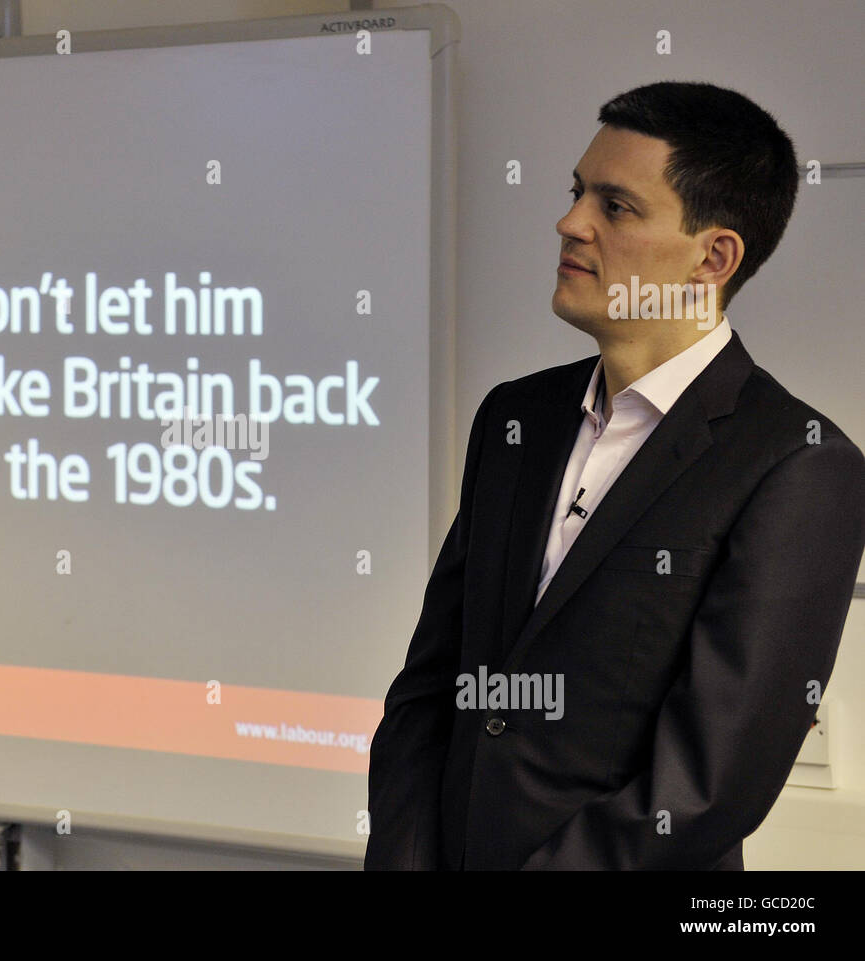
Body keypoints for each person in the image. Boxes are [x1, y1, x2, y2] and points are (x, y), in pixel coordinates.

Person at [365, 82, 865, 870]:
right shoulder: (513, 417)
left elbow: (709, 782)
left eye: (616, 205)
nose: (570, 222)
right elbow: (430, 691)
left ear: (714, 256)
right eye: (575, 192)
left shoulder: (799, 464)